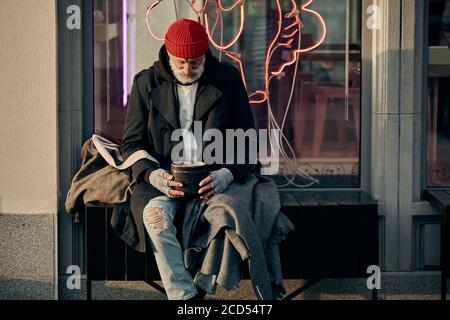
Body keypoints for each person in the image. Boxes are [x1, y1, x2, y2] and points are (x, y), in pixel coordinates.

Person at [121, 19, 257, 300]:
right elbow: (132, 144)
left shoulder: (228, 79)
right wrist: (151, 175)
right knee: (154, 216)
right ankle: (185, 297)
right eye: (180, 62)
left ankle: (188, 298)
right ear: (168, 55)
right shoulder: (145, 82)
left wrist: (227, 174)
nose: (187, 69)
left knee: (221, 218)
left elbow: (248, 140)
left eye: (194, 62)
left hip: (215, 180)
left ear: (205, 54)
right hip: (164, 180)